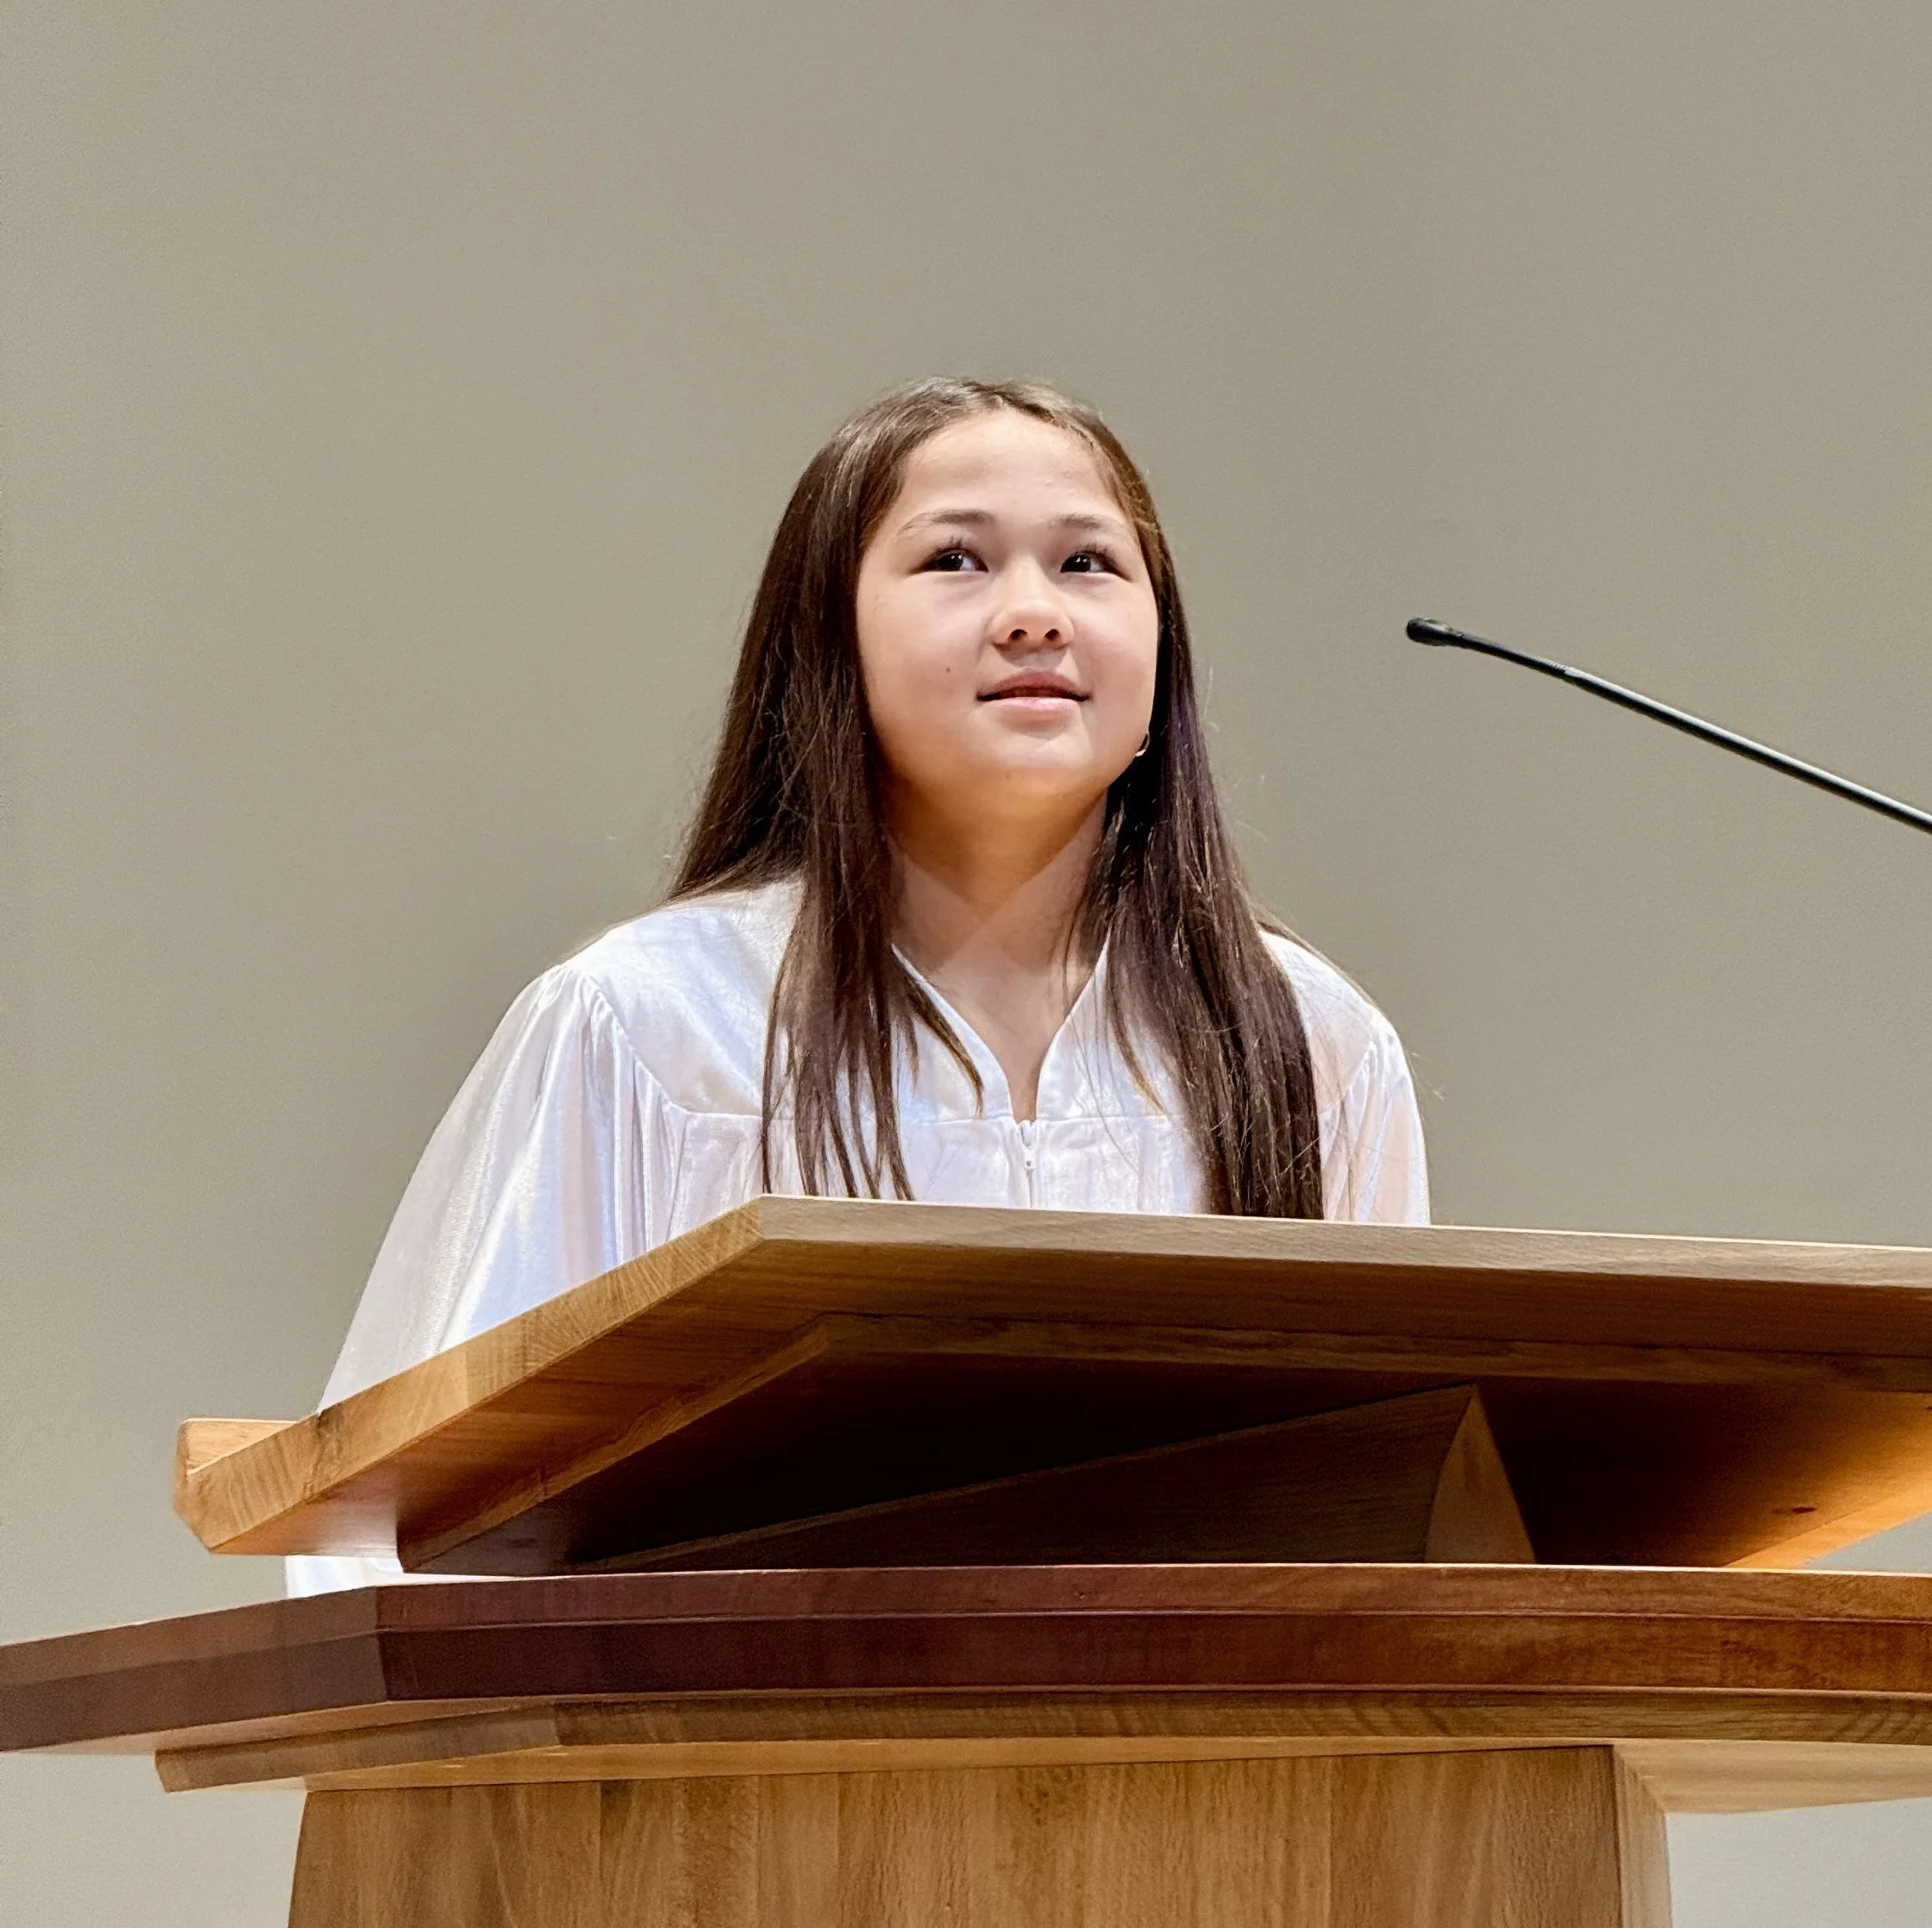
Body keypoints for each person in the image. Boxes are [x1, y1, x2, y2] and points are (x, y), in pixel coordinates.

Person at [292, 376, 1429, 1590]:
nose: (1034, 614)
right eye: (956, 560)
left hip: (1206, 1772)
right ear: (828, 640)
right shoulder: (655, 1027)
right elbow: (407, 1530)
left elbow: (1401, 1500)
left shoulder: (1310, 1044)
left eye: (1090, 564)